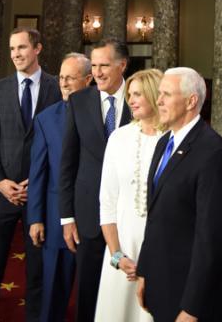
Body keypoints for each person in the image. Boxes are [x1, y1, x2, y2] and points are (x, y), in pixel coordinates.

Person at [0, 28, 61, 322]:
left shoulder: (55, 87)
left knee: (37, 272)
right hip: (2, 194)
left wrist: (36, 184)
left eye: (21, 47)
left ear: (38, 49)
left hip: (40, 197)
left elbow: (59, 142)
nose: (15, 54)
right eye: (12, 49)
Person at [136, 66, 222, 322]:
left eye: (166, 94)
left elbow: (211, 238)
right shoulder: (163, 143)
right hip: (160, 282)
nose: (158, 101)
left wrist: (193, 306)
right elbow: (155, 215)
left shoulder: (212, 152)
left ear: (191, 101)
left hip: (186, 295)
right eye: (159, 94)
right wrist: (145, 272)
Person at [58, 37, 131, 322]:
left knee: (124, 291)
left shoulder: (142, 98)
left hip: (128, 215)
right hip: (88, 215)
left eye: (104, 66)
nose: (97, 72)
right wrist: (67, 218)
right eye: (94, 66)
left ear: (122, 65)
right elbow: (68, 162)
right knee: (87, 292)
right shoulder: (79, 101)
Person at [95, 68, 164, 322]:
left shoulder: (172, 140)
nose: (131, 100)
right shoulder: (118, 138)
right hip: (121, 249)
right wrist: (116, 255)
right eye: (130, 94)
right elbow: (107, 202)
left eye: (138, 94)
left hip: (159, 250)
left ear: (156, 96)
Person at [27, 53, 92, 322]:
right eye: (61, 77)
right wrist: (35, 218)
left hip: (94, 221)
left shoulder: (103, 116)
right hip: (54, 221)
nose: (64, 83)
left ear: (88, 81)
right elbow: (38, 173)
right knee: (53, 294)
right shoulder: (45, 119)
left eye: (70, 78)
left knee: (91, 296)